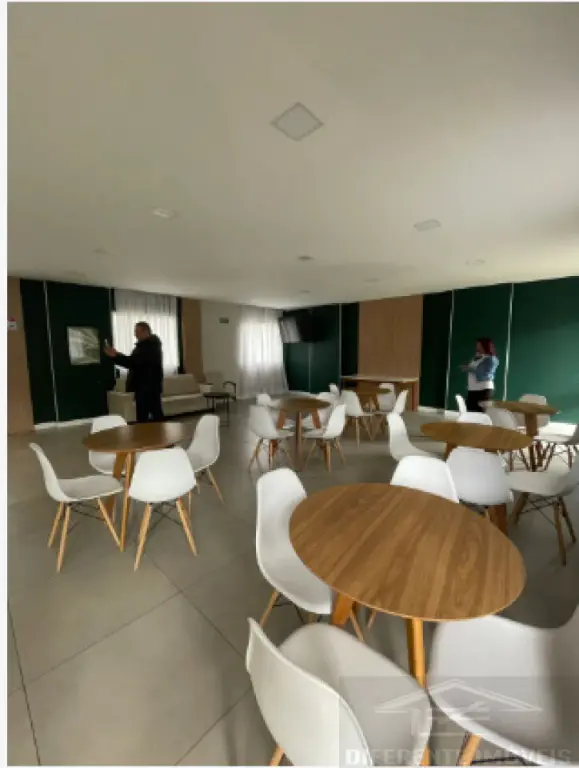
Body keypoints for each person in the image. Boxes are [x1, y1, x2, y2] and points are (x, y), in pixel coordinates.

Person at [104, 322, 164, 423]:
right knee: (150, 414)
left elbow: (133, 362)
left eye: (137, 331)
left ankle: (154, 431)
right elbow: (133, 361)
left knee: (148, 415)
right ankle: (152, 431)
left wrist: (115, 356)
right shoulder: (145, 345)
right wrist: (117, 355)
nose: (135, 334)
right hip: (145, 387)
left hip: (148, 387)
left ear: (145, 331)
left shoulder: (150, 346)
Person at [460, 337, 499, 413]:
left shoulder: (491, 359)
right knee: (470, 412)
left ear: (485, 346)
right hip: (472, 389)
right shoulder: (477, 357)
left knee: (480, 413)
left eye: (479, 345)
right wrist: (468, 367)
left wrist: (469, 369)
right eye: (477, 345)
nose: (477, 347)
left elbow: (485, 374)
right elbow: (476, 369)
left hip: (483, 389)